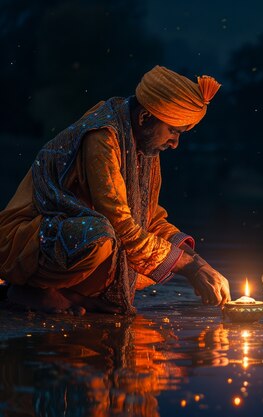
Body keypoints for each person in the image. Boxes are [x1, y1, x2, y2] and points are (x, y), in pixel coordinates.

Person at [0, 65, 231, 315]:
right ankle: (32, 291)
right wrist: (190, 268)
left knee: (160, 262)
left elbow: (150, 219)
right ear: (144, 117)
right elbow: (121, 226)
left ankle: (72, 295)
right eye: (174, 131)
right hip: (25, 240)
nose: (175, 143)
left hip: (74, 241)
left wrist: (197, 262)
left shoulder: (143, 143)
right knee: (99, 238)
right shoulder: (103, 136)